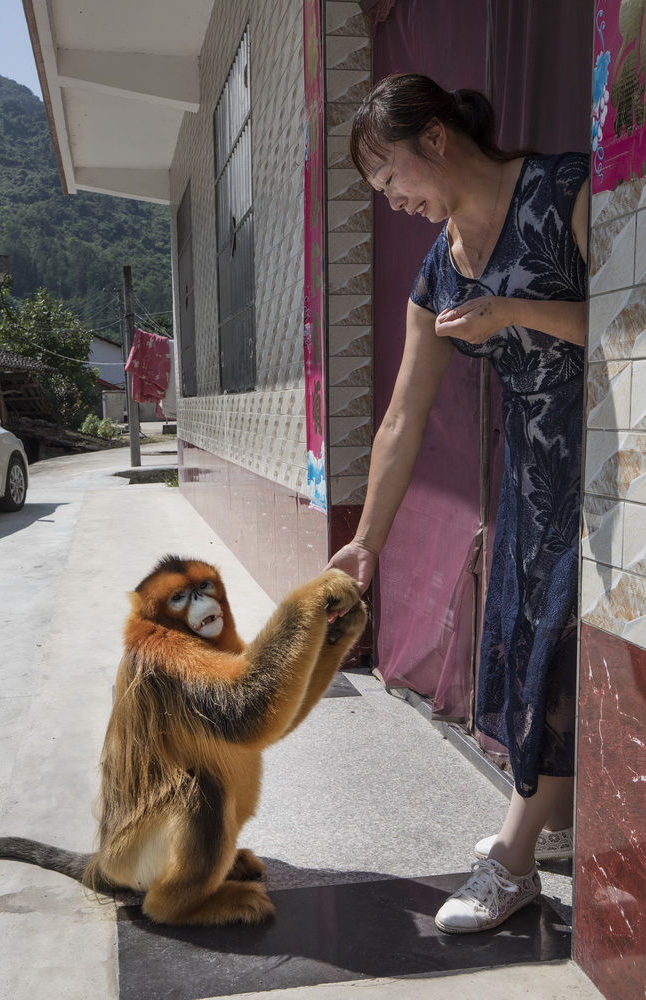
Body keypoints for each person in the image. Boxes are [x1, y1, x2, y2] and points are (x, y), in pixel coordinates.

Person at [328, 73, 589, 934]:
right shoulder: (439, 266)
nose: (393, 200)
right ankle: (557, 822)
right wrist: (366, 541)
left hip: (611, 459)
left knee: (556, 645)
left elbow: (628, 322)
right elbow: (402, 415)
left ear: (434, 139)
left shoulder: (564, 189)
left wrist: (511, 309)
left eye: (391, 178)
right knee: (525, 641)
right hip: (530, 474)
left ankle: (513, 863)